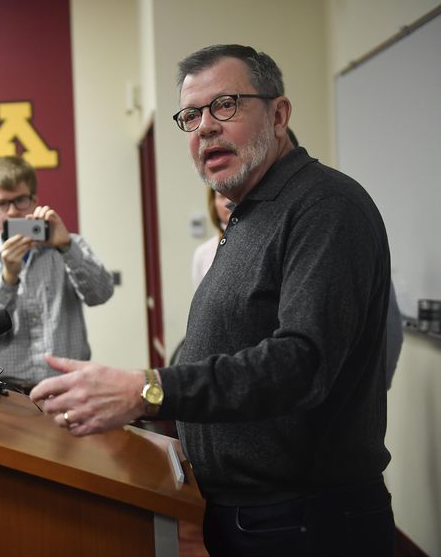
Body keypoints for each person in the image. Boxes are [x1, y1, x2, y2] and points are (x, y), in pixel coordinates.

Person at [30, 45, 394, 557]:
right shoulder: (248, 214)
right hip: (248, 512)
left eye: (225, 105)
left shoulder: (324, 207)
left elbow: (302, 363)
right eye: (191, 115)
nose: (204, 127)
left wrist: (148, 390)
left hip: (305, 519)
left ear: (279, 113)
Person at [0, 155, 114, 392]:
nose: (13, 212)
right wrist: (7, 279)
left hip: (68, 384)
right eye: (2, 203)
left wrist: (67, 248)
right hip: (2, 389)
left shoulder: (69, 245)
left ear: (34, 200)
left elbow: (101, 294)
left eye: (20, 200)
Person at [191, 187, 231, 287]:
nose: (230, 201)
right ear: (213, 203)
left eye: (234, 195)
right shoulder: (203, 253)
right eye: (222, 196)